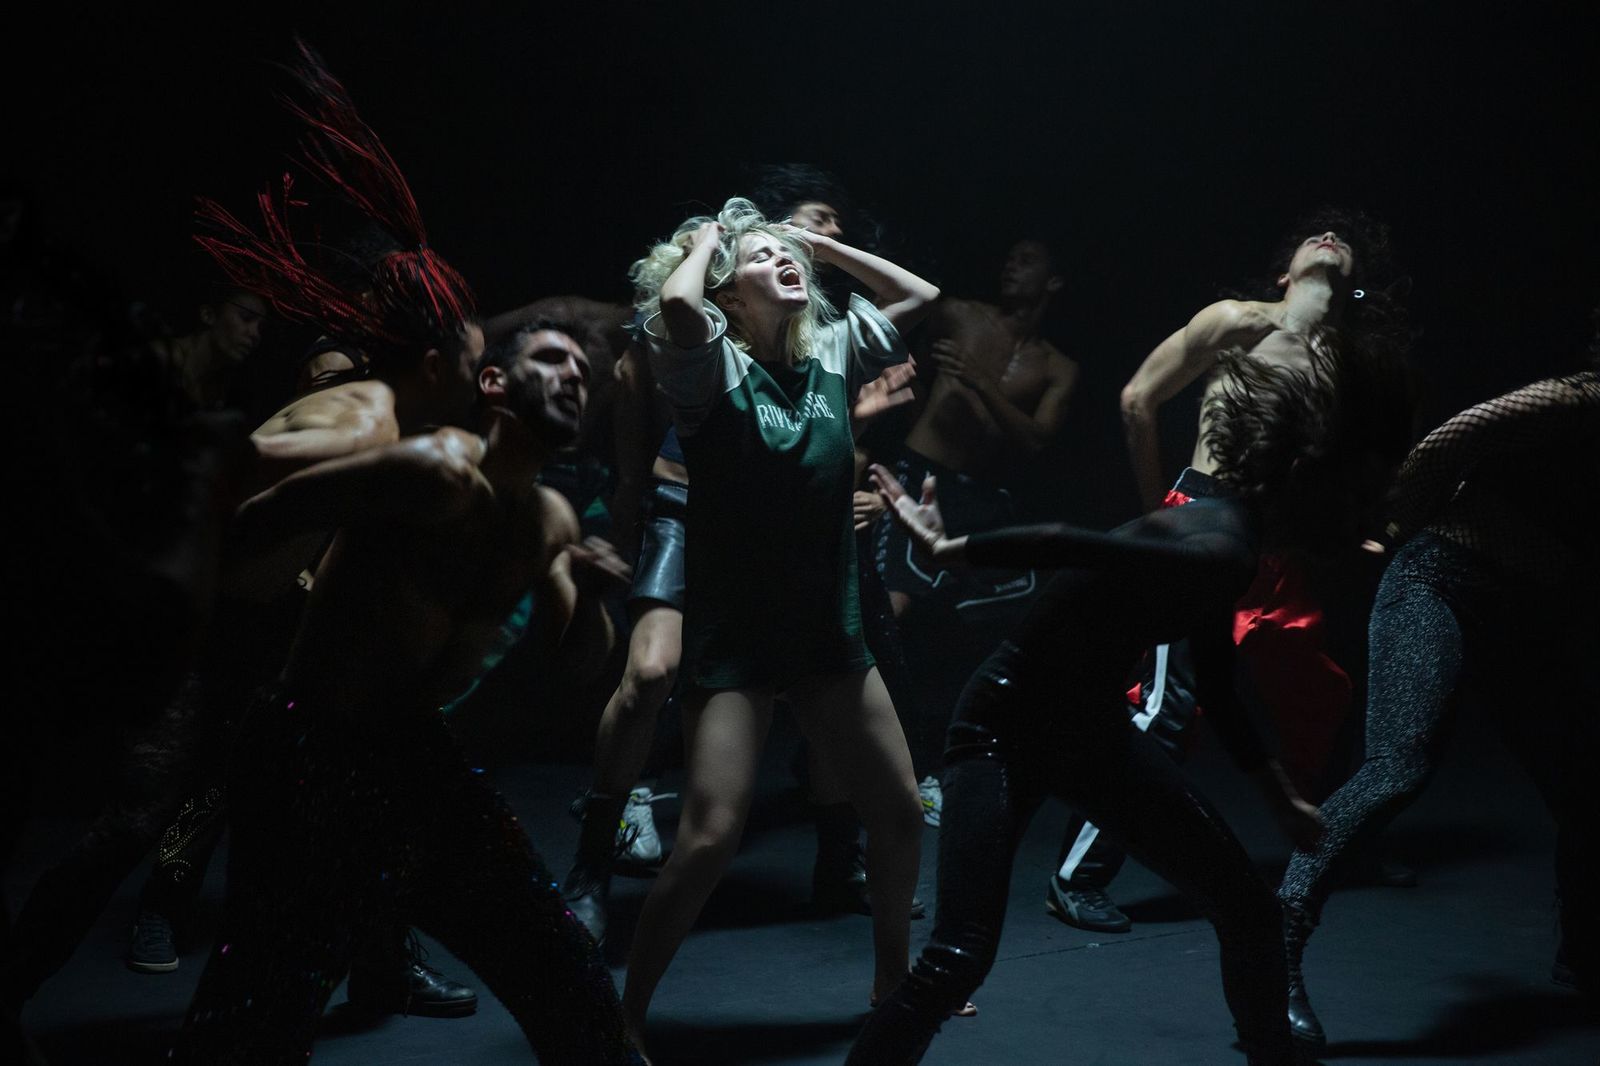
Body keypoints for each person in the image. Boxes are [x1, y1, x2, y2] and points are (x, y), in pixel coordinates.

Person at [847, 328, 1414, 1066]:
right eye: (1357, 504)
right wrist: (950, 550)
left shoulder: (1232, 540)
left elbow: (1215, 680)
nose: (1365, 529)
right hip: (1002, 729)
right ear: (1312, 483)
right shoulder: (1220, 545)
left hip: (1089, 732)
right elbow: (1068, 541)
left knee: (1250, 912)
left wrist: (1277, 796)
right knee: (958, 956)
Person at [617, 197, 938, 1056]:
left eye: (786, 255)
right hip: (739, 638)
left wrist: (808, 245)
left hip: (826, 633)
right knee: (709, 838)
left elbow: (920, 296)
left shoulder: (831, 349)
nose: (784, 261)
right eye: (761, 261)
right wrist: (711, 239)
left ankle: (892, 984)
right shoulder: (706, 365)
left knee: (900, 814)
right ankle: (623, 1015)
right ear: (729, 295)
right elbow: (677, 301)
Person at [562, 169, 915, 948]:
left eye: (828, 232)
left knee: (826, 677)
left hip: (777, 528)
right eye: (809, 225)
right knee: (651, 674)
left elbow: (804, 441)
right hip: (684, 510)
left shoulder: (815, 331)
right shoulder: (696, 319)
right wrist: (627, 496)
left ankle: (840, 855)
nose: (821, 239)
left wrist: (859, 441)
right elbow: (639, 395)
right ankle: (591, 863)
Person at [1048, 211, 1406, 935]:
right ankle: (1076, 875)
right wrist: (1162, 515)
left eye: (1343, 242)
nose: (1329, 238)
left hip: (1278, 548)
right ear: (1284, 273)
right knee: (1166, 709)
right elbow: (1138, 399)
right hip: (1203, 523)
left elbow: (1340, 468)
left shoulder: (1348, 366)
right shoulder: (1236, 322)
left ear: (1356, 285)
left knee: (1321, 698)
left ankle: (1334, 845)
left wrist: (1352, 531)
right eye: (1314, 236)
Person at [1278, 364, 1600, 1048]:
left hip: (1527, 619)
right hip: (1439, 582)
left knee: (1585, 787)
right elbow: (1448, 441)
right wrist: (1404, 524)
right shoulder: (1582, 397)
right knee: (1398, 768)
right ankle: (1272, 945)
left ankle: (1586, 960)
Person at [872, 237, 1078, 821]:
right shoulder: (961, 313)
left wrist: (980, 383)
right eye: (1009, 256)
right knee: (891, 612)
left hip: (984, 499)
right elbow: (889, 322)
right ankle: (857, 758)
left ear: (1053, 282)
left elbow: (1036, 440)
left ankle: (953, 760)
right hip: (920, 478)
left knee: (988, 626)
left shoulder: (1058, 367)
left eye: (1027, 259)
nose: (1011, 264)